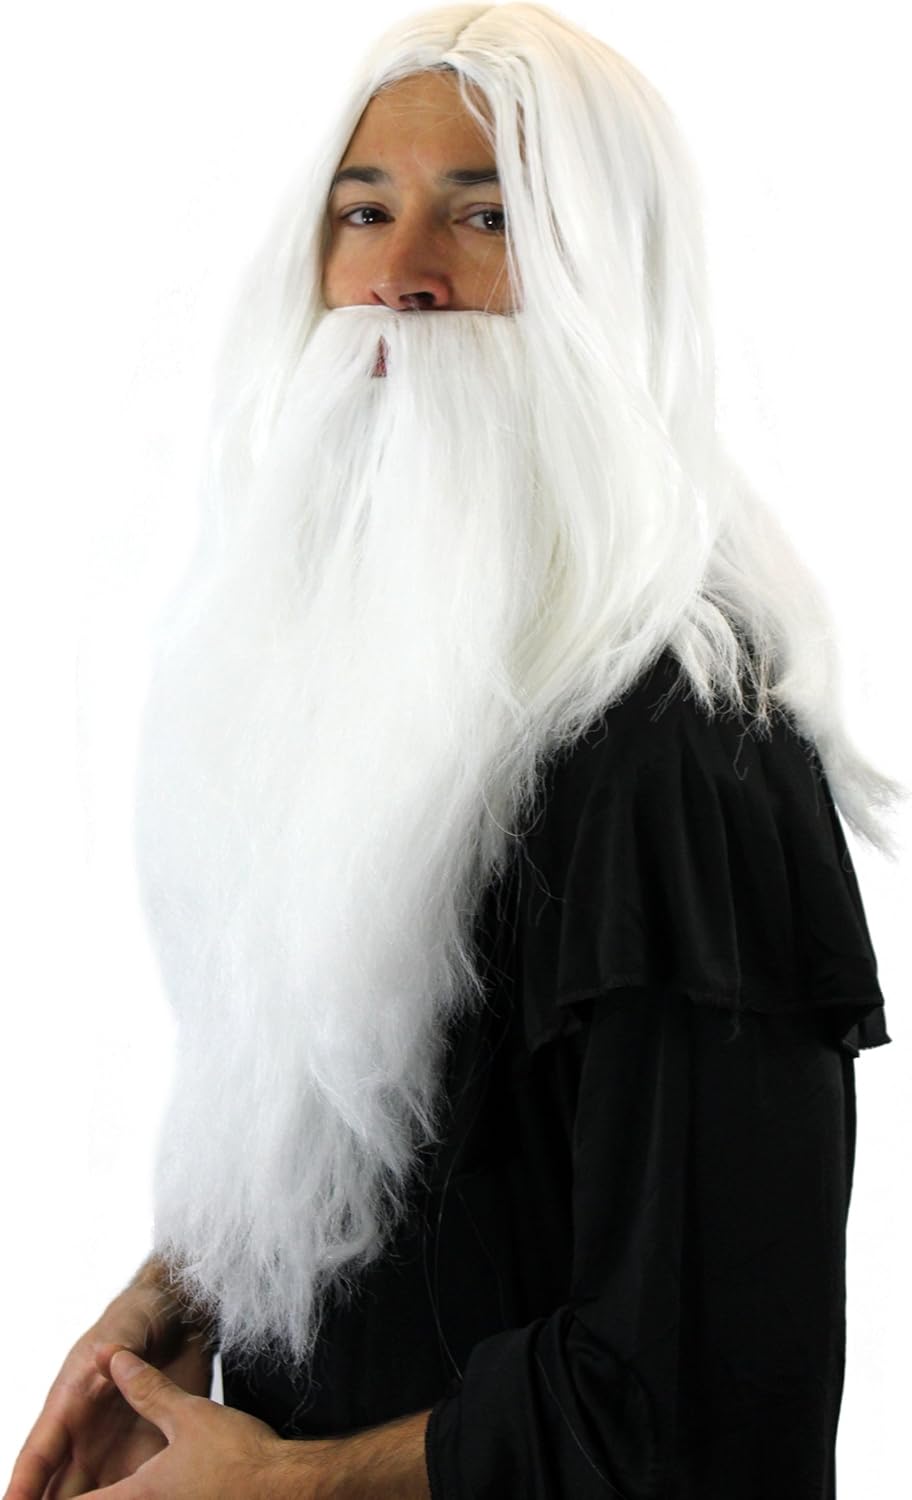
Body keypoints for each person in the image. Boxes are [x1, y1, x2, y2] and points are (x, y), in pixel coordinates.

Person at [5, 4, 900, 1498]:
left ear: (606, 283)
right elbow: (397, 1136)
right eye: (365, 212)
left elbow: (702, 1405)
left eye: (487, 219)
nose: (401, 278)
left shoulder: (680, 756)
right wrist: (184, 1297)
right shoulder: (362, 696)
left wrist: (294, 1486)